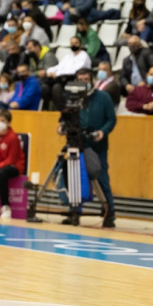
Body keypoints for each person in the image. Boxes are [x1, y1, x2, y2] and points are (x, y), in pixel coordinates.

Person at [58, 68, 117, 227]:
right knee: (73, 176)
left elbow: (111, 120)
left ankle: (109, 212)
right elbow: (64, 118)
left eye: (86, 78)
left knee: (101, 177)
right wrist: (62, 127)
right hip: (76, 142)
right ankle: (74, 212)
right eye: (80, 79)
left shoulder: (103, 97)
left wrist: (102, 132)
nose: (83, 81)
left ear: (91, 79)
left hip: (97, 144)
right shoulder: (72, 98)